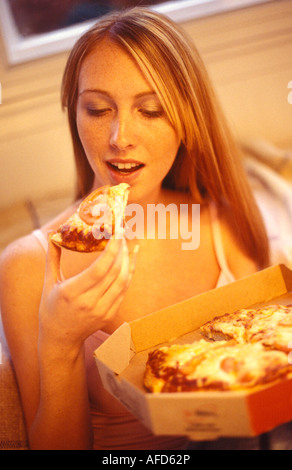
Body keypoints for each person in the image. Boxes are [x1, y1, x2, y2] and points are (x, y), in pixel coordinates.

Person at [0, 7, 270, 450]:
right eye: (98, 108)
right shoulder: (28, 267)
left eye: (150, 110)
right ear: (76, 115)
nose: (119, 136)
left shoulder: (227, 223)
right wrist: (61, 343)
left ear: (188, 120)